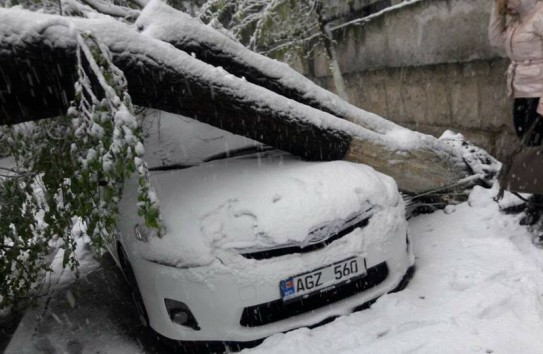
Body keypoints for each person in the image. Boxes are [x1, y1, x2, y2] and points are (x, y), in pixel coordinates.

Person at [489, 0, 543, 244]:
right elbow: (496, 40)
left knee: (541, 152)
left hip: (540, 95)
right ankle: (538, 200)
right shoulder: (518, 20)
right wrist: (497, 9)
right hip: (521, 94)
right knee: (533, 152)